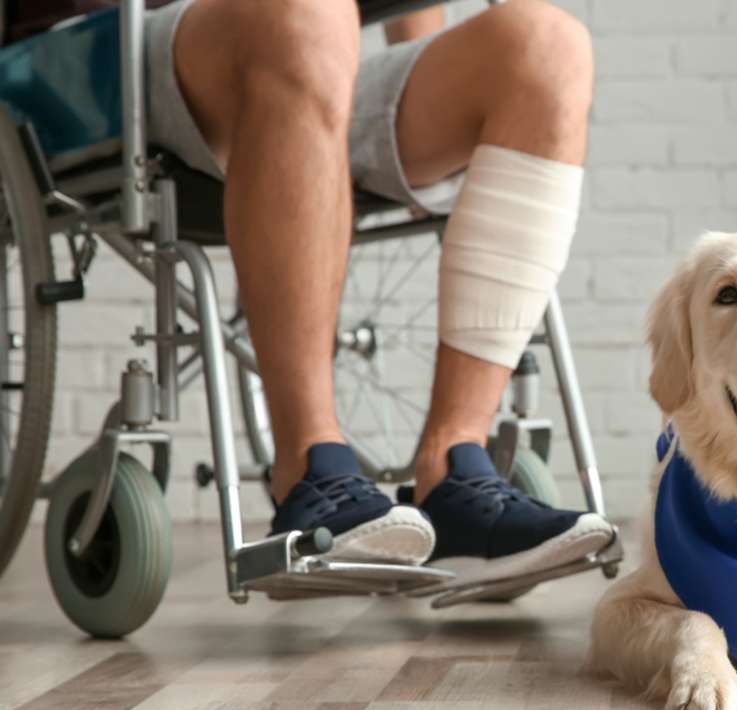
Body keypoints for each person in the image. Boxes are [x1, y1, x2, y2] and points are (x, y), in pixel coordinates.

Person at [11, 0, 616, 587]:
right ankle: (308, 468)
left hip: (310, 49)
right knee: (306, 14)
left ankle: (455, 469)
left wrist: (416, 76)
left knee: (545, 48)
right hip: (88, 50)